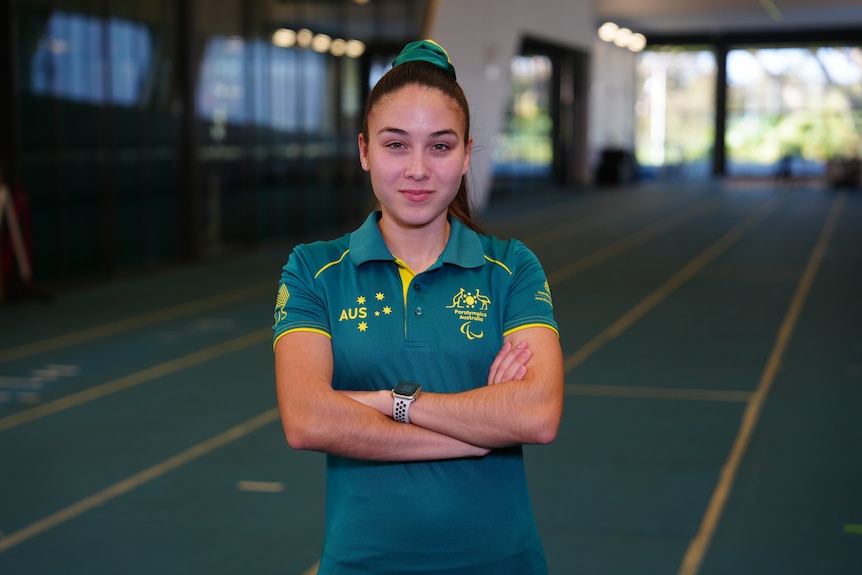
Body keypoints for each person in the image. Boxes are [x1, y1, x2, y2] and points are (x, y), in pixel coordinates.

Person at [272, 39, 564, 575]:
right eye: (396, 145)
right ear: (364, 151)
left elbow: (538, 414)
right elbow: (307, 420)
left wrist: (386, 402)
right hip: (362, 565)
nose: (418, 169)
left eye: (440, 146)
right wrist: (475, 431)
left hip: (501, 563)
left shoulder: (511, 268)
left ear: (467, 154)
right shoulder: (313, 270)